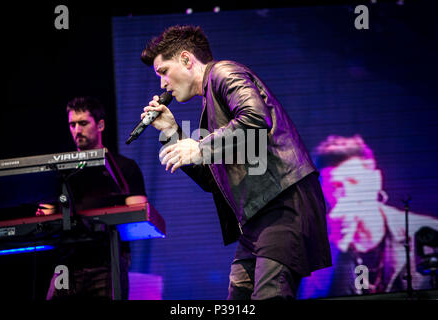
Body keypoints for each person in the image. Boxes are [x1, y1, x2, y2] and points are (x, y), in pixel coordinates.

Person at [139, 25, 332, 300]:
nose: (162, 84)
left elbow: (255, 120)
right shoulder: (210, 100)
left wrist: (201, 147)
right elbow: (211, 179)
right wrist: (172, 133)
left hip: (282, 205)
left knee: (269, 294)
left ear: (185, 59)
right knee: (239, 296)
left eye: (163, 71)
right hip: (257, 218)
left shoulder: (223, 72)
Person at [296, 134, 438, 299]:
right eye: (335, 185)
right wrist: (334, 246)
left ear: (376, 180)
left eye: (355, 181)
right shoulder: (309, 242)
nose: (347, 193)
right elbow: (309, 296)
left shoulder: (425, 232)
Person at [39, 97, 147, 299]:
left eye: (83, 123)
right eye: (72, 124)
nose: (77, 130)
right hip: (67, 262)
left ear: (100, 125)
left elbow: (137, 214)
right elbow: (47, 214)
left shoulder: (125, 167)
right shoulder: (60, 170)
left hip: (108, 261)